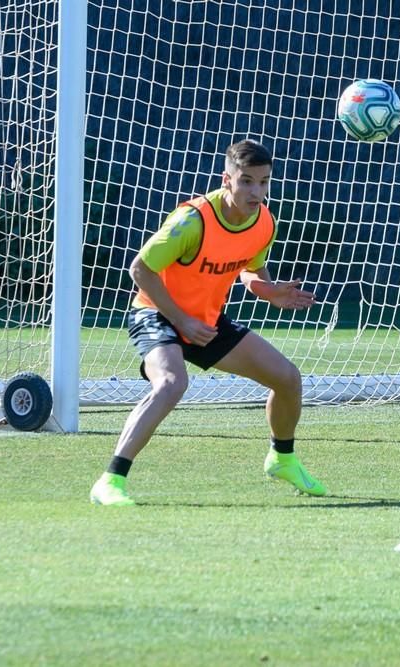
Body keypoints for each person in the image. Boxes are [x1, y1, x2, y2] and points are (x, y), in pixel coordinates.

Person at [90, 139, 325, 506]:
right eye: (247, 181)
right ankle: (110, 481)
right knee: (171, 383)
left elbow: (249, 270)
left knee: (288, 378)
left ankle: (282, 459)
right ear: (227, 179)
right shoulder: (191, 221)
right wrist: (180, 319)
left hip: (205, 321)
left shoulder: (263, 223)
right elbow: (140, 269)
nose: (256, 192)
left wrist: (269, 291)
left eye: (264, 182)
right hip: (156, 314)